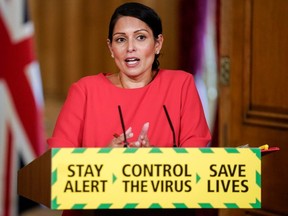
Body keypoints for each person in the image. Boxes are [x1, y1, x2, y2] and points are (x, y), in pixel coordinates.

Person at [47, 2, 211, 216]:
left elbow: (197, 166)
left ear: (158, 43)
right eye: (121, 39)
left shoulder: (182, 85)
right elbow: (57, 169)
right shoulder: (84, 91)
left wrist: (157, 161)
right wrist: (103, 160)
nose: (130, 47)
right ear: (110, 47)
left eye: (141, 37)